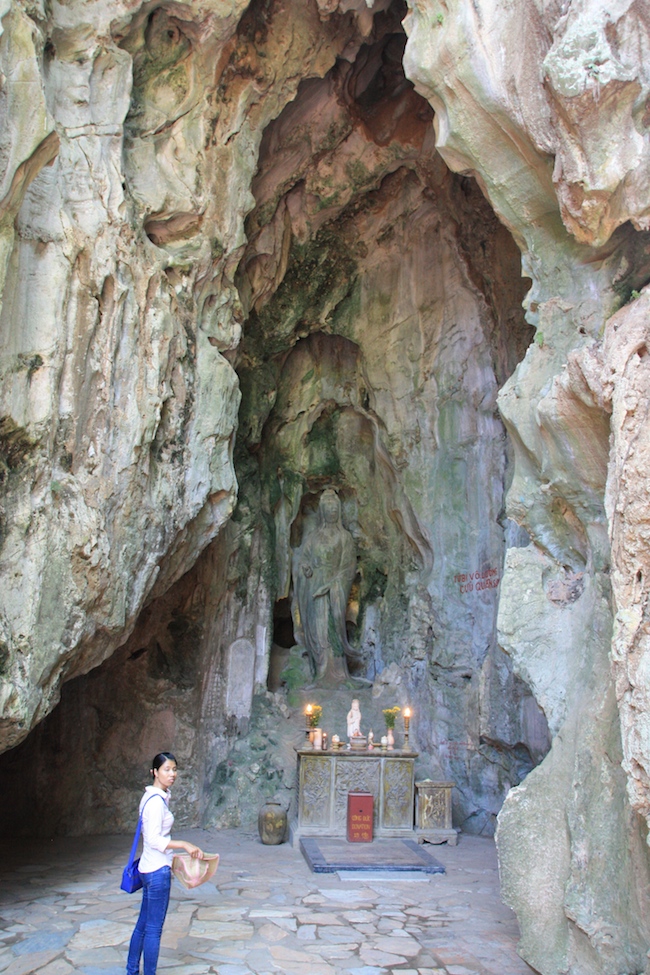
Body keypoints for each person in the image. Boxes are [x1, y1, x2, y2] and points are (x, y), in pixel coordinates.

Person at [126, 752, 204, 975]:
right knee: (153, 930)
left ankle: (132, 970)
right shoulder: (155, 803)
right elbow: (153, 839)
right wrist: (184, 845)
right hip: (157, 871)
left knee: (143, 925)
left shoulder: (155, 797)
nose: (172, 774)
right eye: (167, 770)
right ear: (155, 772)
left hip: (149, 868)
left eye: (174, 769)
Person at [294, 489, 358, 682]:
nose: (332, 511)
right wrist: (305, 569)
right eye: (328, 507)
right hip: (314, 588)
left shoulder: (344, 537)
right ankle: (320, 671)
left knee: (332, 631)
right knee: (317, 631)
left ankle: (337, 674)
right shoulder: (313, 536)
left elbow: (348, 568)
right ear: (322, 511)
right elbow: (304, 559)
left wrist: (332, 585)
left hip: (333, 589)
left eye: (335, 507)